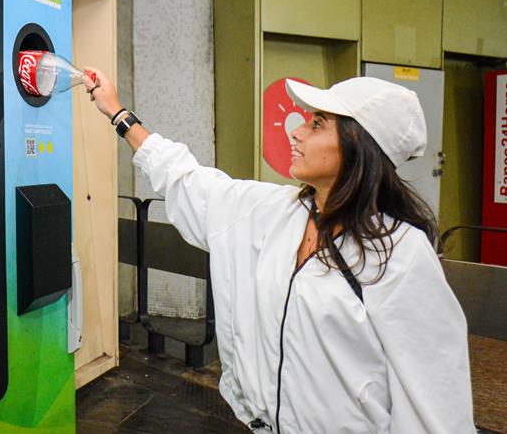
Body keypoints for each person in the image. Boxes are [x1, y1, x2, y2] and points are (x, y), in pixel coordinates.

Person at [82, 71, 475, 433]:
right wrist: (119, 113)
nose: (296, 132)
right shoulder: (272, 212)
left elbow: (435, 403)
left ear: (360, 146)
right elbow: (188, 180)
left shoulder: (399, 255)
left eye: (317, 123)